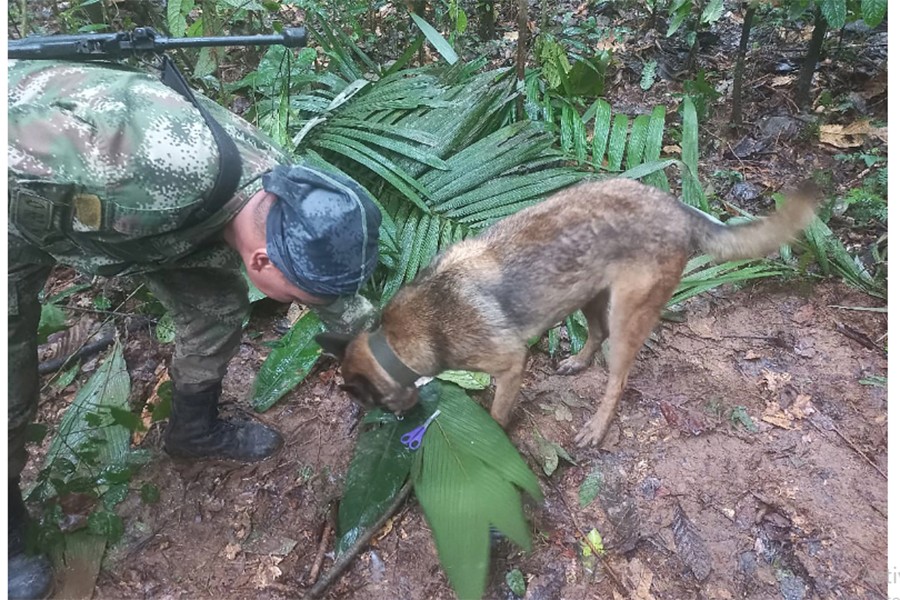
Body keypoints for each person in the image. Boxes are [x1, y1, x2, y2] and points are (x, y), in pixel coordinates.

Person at [8, 58, 381, 599]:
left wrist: (390, 360)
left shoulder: (284, 193)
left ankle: (193, 430)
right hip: (19, 189)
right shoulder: (141, 171)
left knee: (216, 310)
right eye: (298, 298)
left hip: (134, 219)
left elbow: (333, 297)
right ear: (262, 264)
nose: (303, 306)